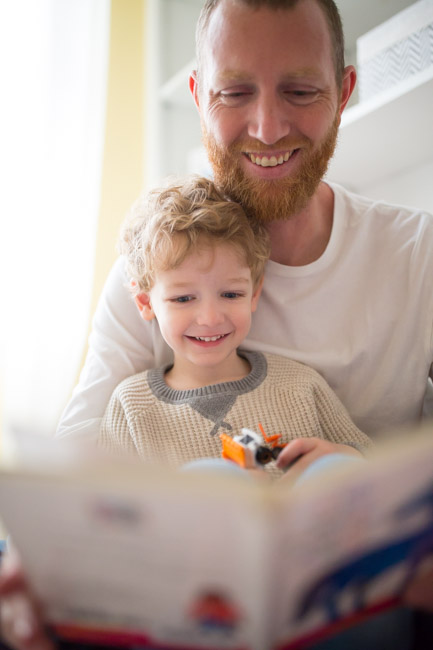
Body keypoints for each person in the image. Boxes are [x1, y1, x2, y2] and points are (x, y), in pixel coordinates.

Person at [2, 0, 433, 646]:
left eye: (300, 90)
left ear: (343, 92)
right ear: (199, 95)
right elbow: (75, 479)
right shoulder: (151, 272)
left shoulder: (417, 255)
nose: (265, 127)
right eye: (234, 92)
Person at [98, 175, 371, 475]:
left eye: (231, 294)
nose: (211, 318)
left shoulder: (299, 384)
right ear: (146, 303)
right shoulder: (132, 406)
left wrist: (338, 456)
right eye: (183, 298)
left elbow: (371, 462)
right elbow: (106, 508)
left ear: (254, 294)